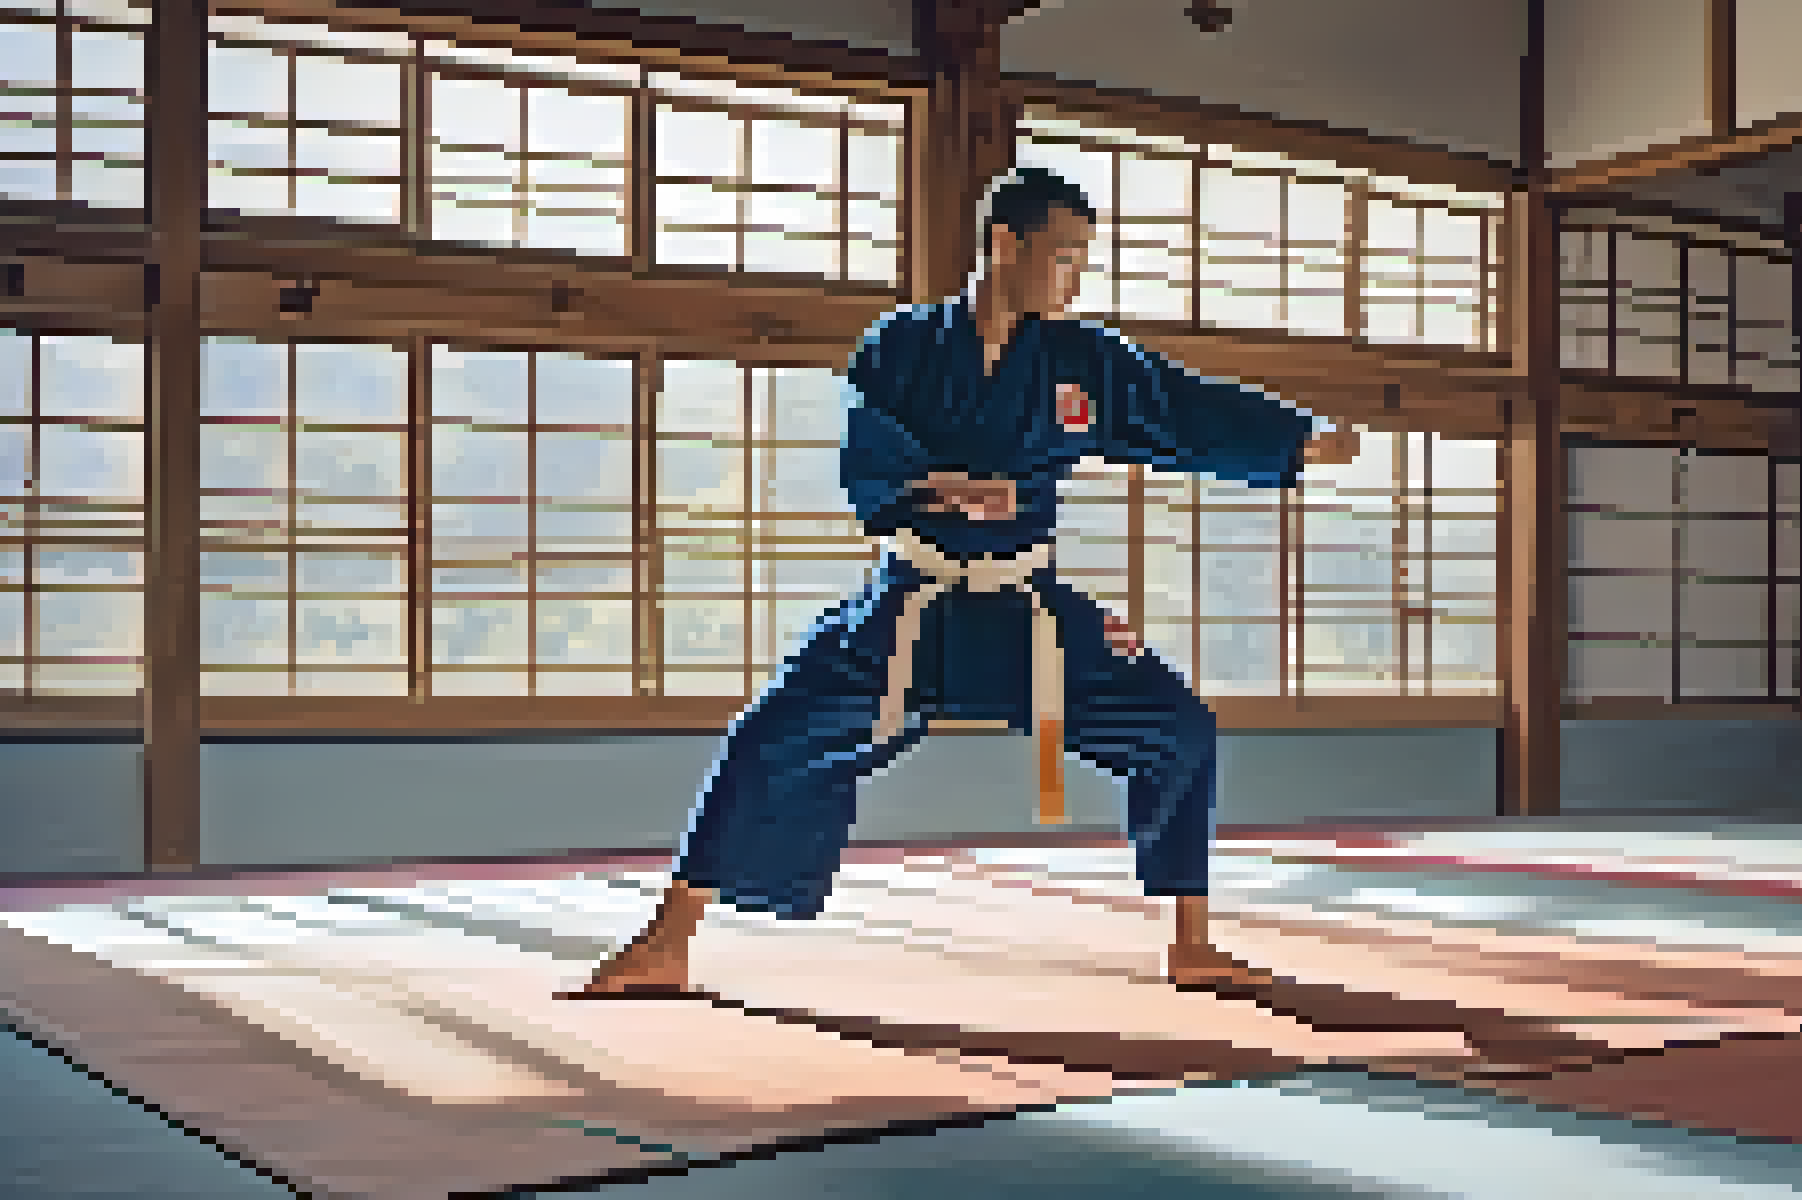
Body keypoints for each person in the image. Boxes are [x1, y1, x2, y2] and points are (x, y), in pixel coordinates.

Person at [560, 166, 1359, 1000]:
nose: (1074, 276)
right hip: (913, 601)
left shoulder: (1087, 360)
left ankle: (1191, 941)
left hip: (1027, 608)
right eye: (1063, 255)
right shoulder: (901, 344)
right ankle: (666, 938)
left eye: (1084, 259)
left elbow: (1183, 411)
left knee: (1180, 728)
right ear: (1006, 244)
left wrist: (1295, 440)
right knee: (768, 734)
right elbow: (870, 454)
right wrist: (952, 490)